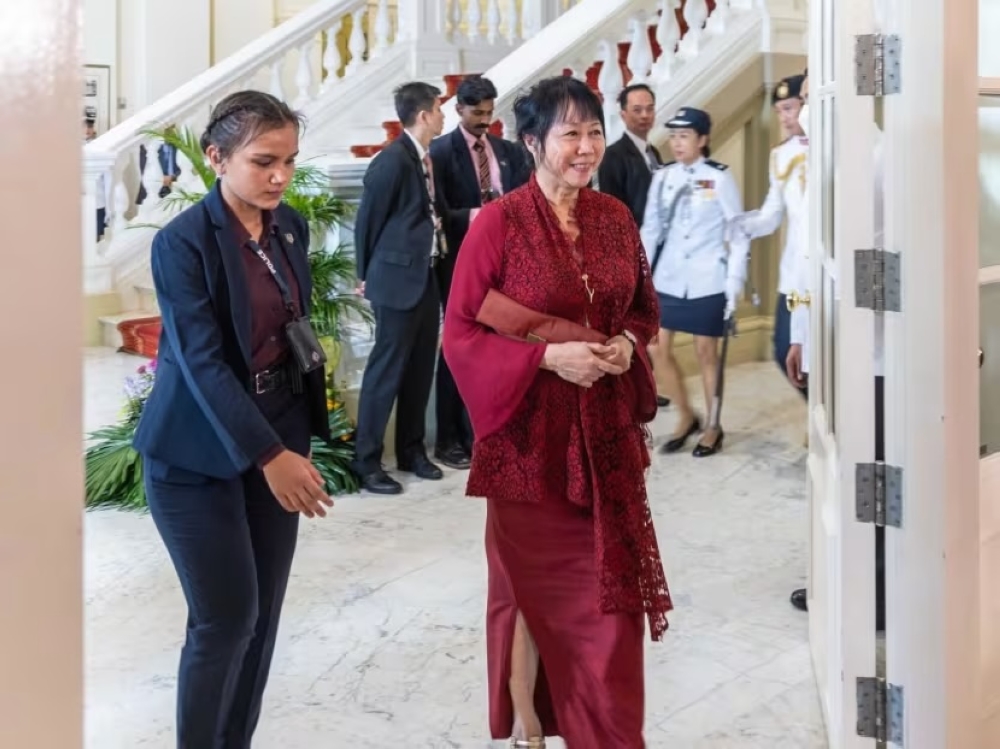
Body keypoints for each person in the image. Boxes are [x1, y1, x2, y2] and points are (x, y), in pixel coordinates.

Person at [443, 75, 672, 749]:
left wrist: (628, 345)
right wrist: (546, 359)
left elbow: (640, 308)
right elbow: (460, 331)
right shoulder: (498, 223)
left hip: (606, 438)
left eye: (594, 131)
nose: (586, 147)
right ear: (533, 141)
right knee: (532, 598)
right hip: (528, 446)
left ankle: (606, 731)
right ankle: (532, 725)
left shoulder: (613, 217)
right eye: (570, 133)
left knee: (612, 608)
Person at [132, 91, 334, 748]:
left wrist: (296, 433)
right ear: (216, 158)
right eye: (264, 161)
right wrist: (269, 454)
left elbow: (293, 325)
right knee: (226, 619)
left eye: (290, 162)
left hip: (275, 427)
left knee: (263, 618)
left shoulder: (291, 227)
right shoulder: (181, 243)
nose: (280, 176)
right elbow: (202, 362)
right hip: (196, 454)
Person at [429, 75, 531, 469]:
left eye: (489, 112)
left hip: (505, 266)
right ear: (459, 110)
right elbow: (437, 212)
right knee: (458, 350)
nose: (485, 120)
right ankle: (449, 439)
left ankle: (485, 432)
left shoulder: (506, 151)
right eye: (477, 113)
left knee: (498, 350)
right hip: (460, 265)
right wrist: (482, 216)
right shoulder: (439, 153)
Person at [352, 82, 448, 494]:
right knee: (386, 371)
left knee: (420, 367)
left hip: (424, 275)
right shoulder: (390, 161)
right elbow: (367, 222)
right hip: (394, 281)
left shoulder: (424, 158)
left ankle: (412, 451)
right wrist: (364, 274)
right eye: (440, 109)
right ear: (424, 114)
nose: (445, 115)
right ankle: (367, 462)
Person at [639, 107, 750, 457]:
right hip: (668, 278)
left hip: (707, 279)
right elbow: (651, 229)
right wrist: (640, 277)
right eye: (673, 136)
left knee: (706, 353)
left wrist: (734, 280)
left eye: (684, 136)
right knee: (657, 348)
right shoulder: (663, 177)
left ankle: (713, 426)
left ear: (702, 140)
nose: (677, 143)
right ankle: (687, 416)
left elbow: (738, 232)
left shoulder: (719, 178)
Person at [735, 74, 809, 392]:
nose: (785, 117)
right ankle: (819, 414)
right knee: (784, 351)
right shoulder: (780, 154)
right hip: (793, 272)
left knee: (824, 354)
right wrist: (738, 225)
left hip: (826, 272)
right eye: (779, 111)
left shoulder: (834, 145)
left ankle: (833, 426)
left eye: (790, 108)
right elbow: (771, 215)